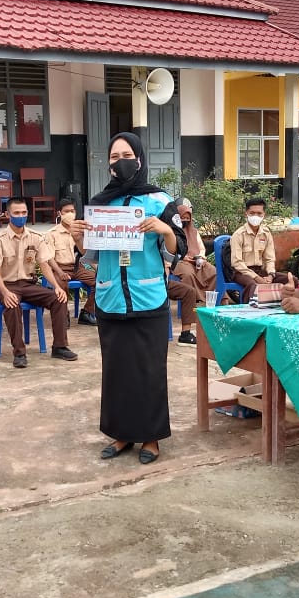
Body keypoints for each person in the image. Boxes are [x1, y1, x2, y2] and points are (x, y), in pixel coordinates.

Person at [88, 132, 186, 464]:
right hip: (110, 299)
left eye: (126, 154)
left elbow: (179, 250)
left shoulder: (159, 201)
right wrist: (78, 237)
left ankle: (151, 438)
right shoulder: (100, 203)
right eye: (114, 157)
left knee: (149, 371)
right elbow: (89, 256)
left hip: (148, 299)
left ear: (140, 159)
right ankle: (120, 435)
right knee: (116, 372)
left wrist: (166, 230)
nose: (120, 162)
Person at [0, 196, 78, 368]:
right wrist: (5, 292)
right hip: (7, 286)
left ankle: (59, 346)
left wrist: (57, 287)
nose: (21, 216)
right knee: (12, 304)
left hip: (28, 285)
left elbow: (44, 264)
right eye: (16, 213)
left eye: (24, 212)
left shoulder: (35, 237)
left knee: (58, 298)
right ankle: (19, 353)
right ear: (8, 214)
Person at [43, 198, 98, 327]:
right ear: (59, 213)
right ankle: (63, 316)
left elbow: (85, 253)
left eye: (72, 211)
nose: (70, 214)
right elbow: (49, 258)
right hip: (59, 267)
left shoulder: (80, 231)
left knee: (99, 282)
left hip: (77, 267)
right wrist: (60, 272)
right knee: (60, 286)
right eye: (66, 211)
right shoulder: (52, 234)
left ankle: (87, 313)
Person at [229, 197, 289, 303]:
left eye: (259, 213)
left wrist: (271, 275)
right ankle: (248, 311)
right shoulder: (238, 235)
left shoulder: (266, 233)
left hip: (261, 271)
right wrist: (257, 278)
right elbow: (237, 263)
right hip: (242, 273)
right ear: (246, 214)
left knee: (290, 279)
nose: (255, 216)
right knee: (251, 284)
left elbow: (269, 258)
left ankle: (288, 306)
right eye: (252, 213)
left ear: (264, 215)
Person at [173, 197, 216, 301]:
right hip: (179, 262)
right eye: (183, 218)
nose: (185, 221)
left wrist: (200, 257)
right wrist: (182, 257)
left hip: (196, 261)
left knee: (213, 271)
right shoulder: (172, 231)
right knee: (188, 274)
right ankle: (191, 300)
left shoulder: (194, 231)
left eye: (188, 218)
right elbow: (170, 251)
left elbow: (201, 248)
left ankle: (213, 301)